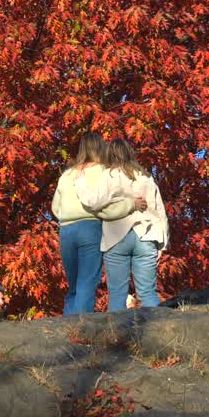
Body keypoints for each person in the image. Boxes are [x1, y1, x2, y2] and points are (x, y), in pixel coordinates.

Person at [50, 133, 136, 315]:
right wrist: (131, 204)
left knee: (73, 284)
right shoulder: (106, 171)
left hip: (67, 230)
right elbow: (114, 202)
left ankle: (67, 328)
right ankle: (80, 330)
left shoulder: (67, 174)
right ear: (101, 148)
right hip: (91, 227)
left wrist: (67, 215)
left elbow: (55, 207)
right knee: (87, 283)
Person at [92, 139, 169, 312]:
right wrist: (162, 244)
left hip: (116, 237)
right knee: (148, 293)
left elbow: (95, 203)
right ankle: (156, 331)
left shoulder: (107, 176)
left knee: (117, 294)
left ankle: (118, 335)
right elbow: (159, 210)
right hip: (146, 235)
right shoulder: (145, 176)